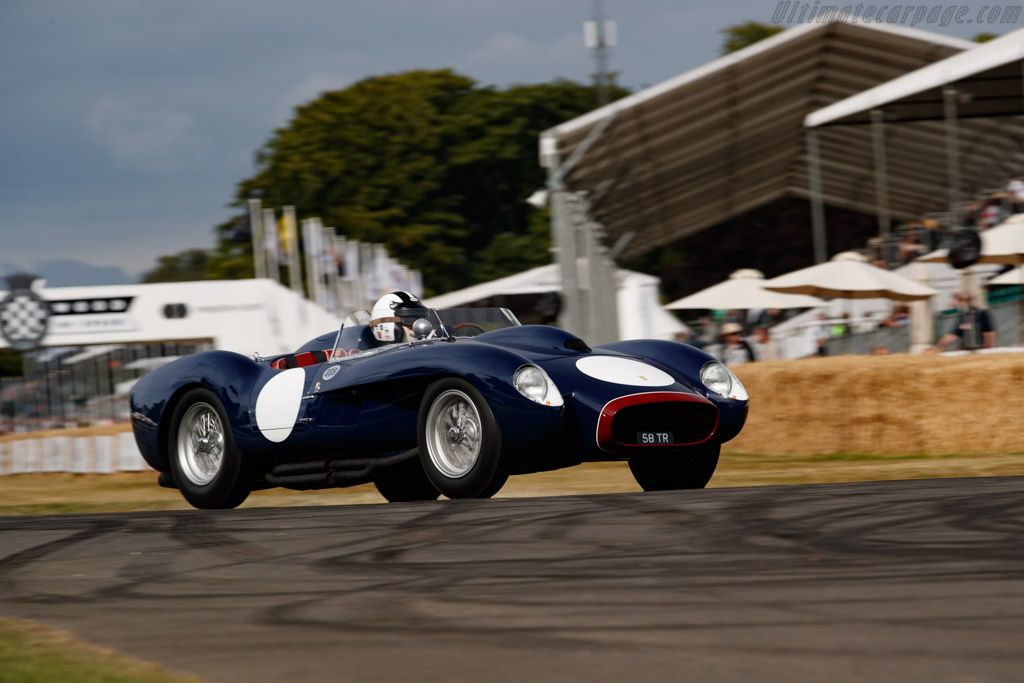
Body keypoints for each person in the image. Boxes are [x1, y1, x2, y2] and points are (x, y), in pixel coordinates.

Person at [927, 291, 996, 353]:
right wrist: (937, 348)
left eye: (957, 301)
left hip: (980, 350)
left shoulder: (981, 314)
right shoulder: (965, 317)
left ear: (961, 300)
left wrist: (988, 350)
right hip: (970, 350)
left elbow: (988, 333)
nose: (956, 304)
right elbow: (954, 334)